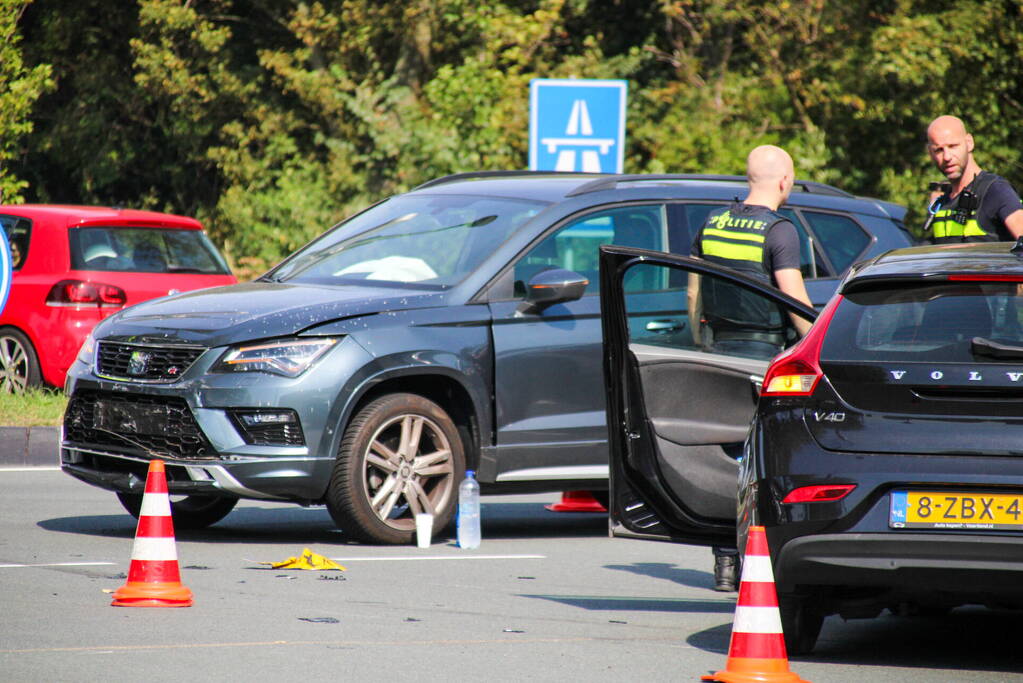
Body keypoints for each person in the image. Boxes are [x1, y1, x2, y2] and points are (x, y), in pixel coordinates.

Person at [687, 144, 813, 591]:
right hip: (764, 356)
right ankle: (755, 559)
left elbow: (693, 290)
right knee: (757, 462)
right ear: (783, 180)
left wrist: (700, 341)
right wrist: (814, 342)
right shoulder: (781, 230)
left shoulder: (714, 220)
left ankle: (724, 561)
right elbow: (793, 300)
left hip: (718, 349)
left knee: (727, 457)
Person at [924, 115, 1023, 243]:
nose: (947, 157)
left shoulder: (996, 190)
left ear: (969, 143)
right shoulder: (941, 203)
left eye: (953, 146)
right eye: (938, 150)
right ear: (930, 153)